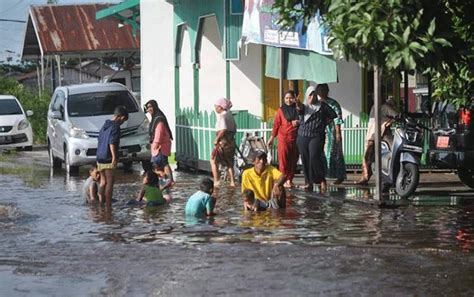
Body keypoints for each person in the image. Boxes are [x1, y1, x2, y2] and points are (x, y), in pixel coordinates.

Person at [296, 86, 337, 193]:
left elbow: (333, 115)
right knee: (305, 158)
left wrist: (323, 123)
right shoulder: (304, 106)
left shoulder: (322, 106)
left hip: (316, 136)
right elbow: (299, 109)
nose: (312, 97)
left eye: (314, 94)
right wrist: (297, 102)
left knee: (314, 156)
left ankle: (321, 180)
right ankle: (308, 182)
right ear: (307, 96)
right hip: (303, 135)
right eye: (310, 94)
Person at [355, 96, 398, 185]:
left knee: (377, 156)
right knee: (368, 156)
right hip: (372, 135)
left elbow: (397, 115)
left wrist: (388, 122)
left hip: (381, 135)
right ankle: (366, 175)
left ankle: (370, 176)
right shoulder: (374, 107)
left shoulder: (385, 107)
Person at [96, 105, 129, 207]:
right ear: (121, 117)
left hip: (99, 157)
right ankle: (108, 205)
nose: (122, 123)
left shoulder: (105, 125)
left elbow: (100, 140)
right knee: (110, 182)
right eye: (123, 121)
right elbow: (112, 142)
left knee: (102, 182)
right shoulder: (115, 126)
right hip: (108, 157)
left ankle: (101, 203)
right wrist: (114, 157)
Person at [266, 90, 300, 188]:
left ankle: (290, 179)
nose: (288, 100)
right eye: (286, 98)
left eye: (290, 98)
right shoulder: (281, 110)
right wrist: (272, 138)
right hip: (283, 138)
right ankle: (283, 180)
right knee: (284, 160)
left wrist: (298, 122)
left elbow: (304, 120)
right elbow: (276, 125)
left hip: (295, 138)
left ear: (294, 98)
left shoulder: (298, 109)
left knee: (293, 159)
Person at [316, 83, 347, 185]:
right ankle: (322, 176)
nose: (322, 92)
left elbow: (337, 119)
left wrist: (337, 133)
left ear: (327, 91)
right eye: (320, 90)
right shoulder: (317, 103)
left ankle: (340, 176)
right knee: (321, 154)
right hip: (320, 132)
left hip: (331, 131)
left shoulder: (333, 103)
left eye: (324, 90)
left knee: (335, 154)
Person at [144, 99, 174, 184]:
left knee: (161, 165)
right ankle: (166, 181)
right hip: (159, 146)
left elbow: (159, 133)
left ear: (155, 107)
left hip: (160, 146)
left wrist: (156, 144)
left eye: (150, 107)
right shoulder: (155, 118)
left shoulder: (158, 119)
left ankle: (168, 180)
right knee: (162, 164)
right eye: (147, 107)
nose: (149, 109)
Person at [210, 97, 237, 187]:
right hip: (231, 142)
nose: (215, 109)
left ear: (220, 107)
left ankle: (216, 181)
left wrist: (217, 139)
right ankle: (232, 182)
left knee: (213, 160)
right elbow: (234, 129)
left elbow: (223, 129)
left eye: (216, 107)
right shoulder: (230, 115)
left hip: (223, 143)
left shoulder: (223, 115)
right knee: (229, 163)